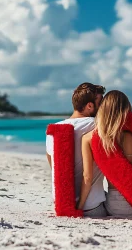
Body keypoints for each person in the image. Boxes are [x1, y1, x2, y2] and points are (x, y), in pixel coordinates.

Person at [82, 90, 132, 218]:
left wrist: (79, 207)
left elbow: (87, 176)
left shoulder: (91, 138)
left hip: (113, 205)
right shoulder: (131, 138)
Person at [45, 82, 107, 217]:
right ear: (90, 106)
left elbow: (52, 164)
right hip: (91, 206)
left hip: (62, 203)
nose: (103, 106)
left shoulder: (53, 130)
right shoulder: (97, 125)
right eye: (101, 102)